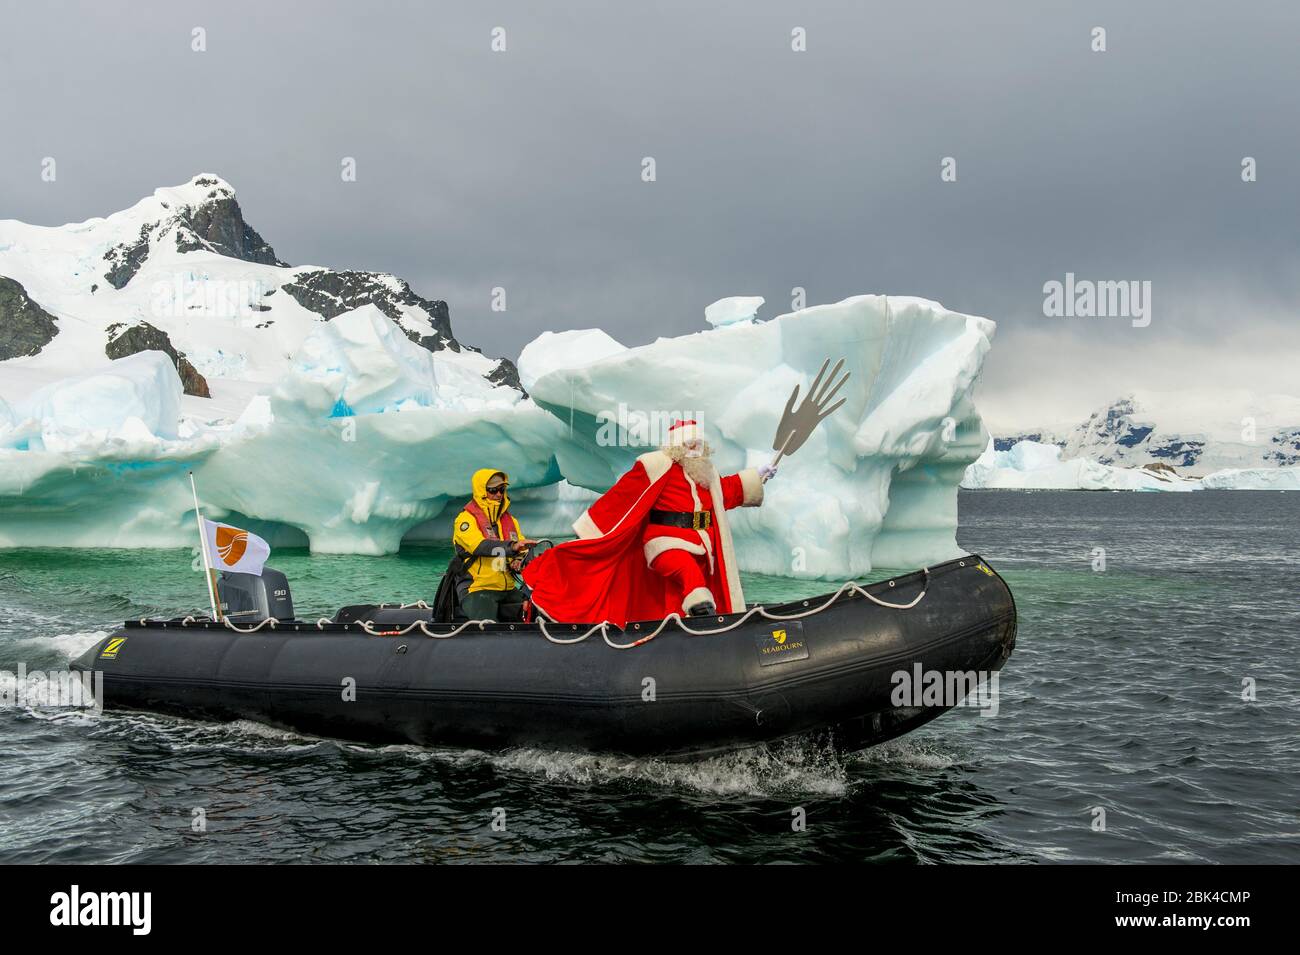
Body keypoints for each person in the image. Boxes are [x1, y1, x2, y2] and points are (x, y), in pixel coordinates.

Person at [523, 419, 776, 627]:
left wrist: (758, 477)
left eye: (698, 444)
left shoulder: (706, 474)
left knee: (677, 591)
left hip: (702, 544)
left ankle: (677, 629)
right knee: (688, 573)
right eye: (689, 444)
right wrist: (591, 530)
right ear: (677, 446)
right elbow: (622, 496)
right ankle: (705, 622)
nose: (695, 449)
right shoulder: (658, 466)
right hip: (665, 542)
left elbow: (727, 491)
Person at [451, 469, 536, 622]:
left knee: (537, 608)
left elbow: (522, 549)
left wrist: (520, 559)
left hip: (507, 589)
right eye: (493, 490)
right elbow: (480, 546)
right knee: (487, 627)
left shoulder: (511, 521)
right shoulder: (465, 520)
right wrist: (512, 547)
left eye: (502, 489)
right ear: (482, 491)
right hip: (477, 589)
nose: (498, 494)